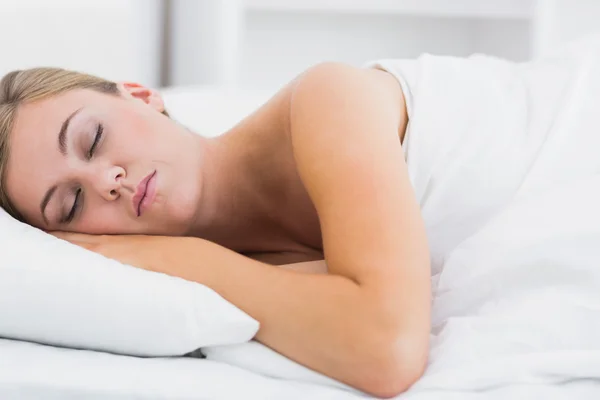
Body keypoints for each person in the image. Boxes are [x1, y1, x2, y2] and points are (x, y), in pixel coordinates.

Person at [0, 62, 431, 398]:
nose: (105, 181)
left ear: (140, 95)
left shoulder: (328, 98)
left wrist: (184, 258)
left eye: (93, 139)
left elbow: (388, 349)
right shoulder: (244, 285)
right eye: (72, 203)